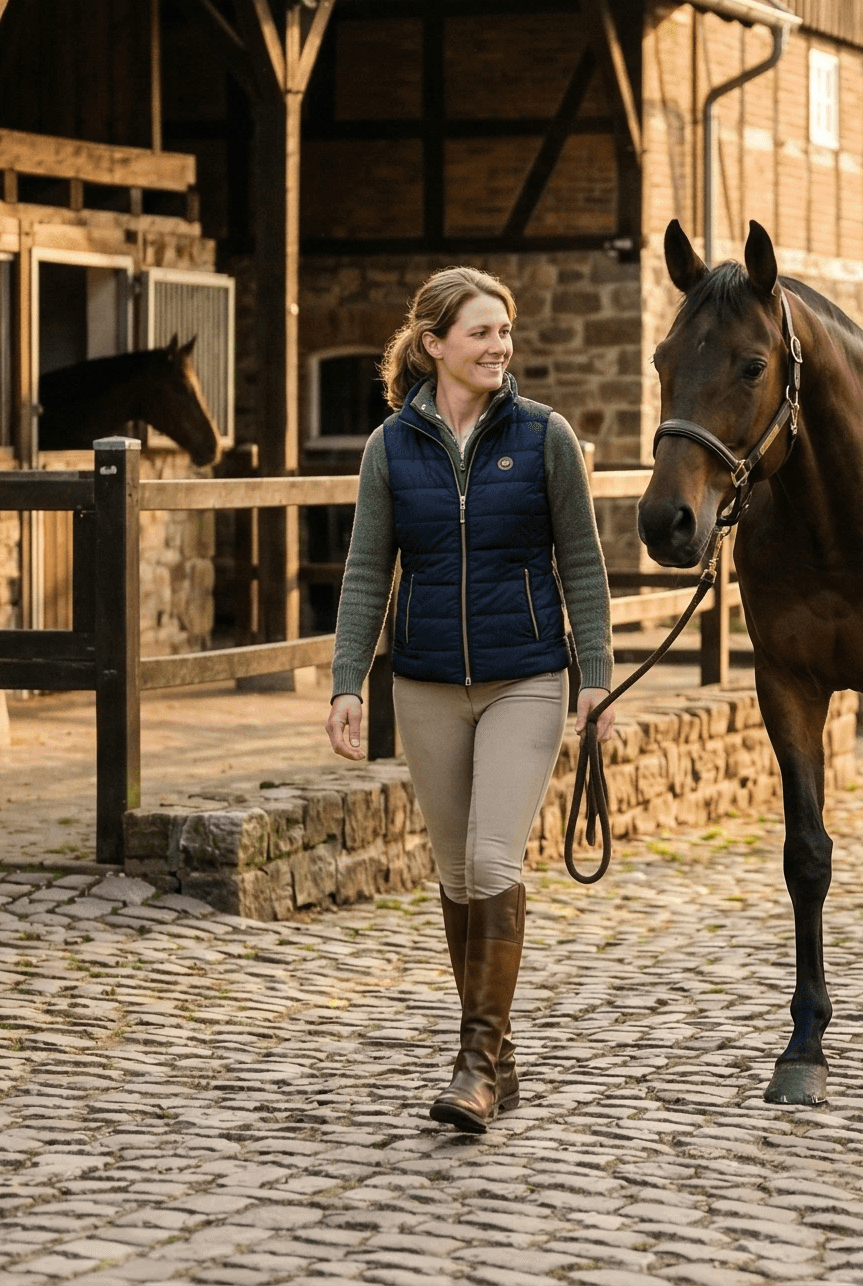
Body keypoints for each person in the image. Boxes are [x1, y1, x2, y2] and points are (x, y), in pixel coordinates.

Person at [325, 266, 614, 1133]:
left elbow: (584, 563)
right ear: (434, 345)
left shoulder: (543, 436)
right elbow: (368, 571)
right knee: (453, 877)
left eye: (505, 332)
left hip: (525, 674)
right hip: (423, 684)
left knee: (492, 865)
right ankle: (499, 1055)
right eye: (482, 333)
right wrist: (348, 680)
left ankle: (475, 1064)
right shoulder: (390, 449)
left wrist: (593, 676)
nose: (500, 347)